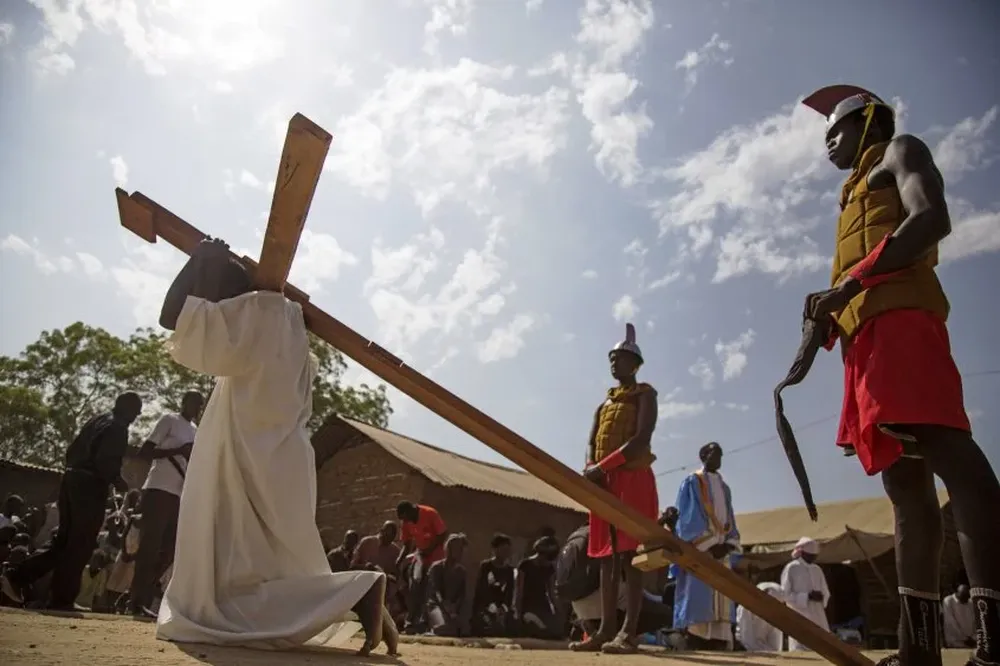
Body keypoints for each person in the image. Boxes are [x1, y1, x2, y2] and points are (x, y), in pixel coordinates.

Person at [800, 85, 1000, 666]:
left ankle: (994, 641)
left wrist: (851, 285)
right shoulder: (847, 199)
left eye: (835, 131)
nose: (827, 145)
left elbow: (931, 219)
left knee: (959, 466)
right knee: (906, 493)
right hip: (864, 345)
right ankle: (919, 652)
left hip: (904, 326)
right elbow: (855, 273)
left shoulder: (899, 152)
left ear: (868, 122)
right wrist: (826, 317)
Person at [153, 237, 397, 656]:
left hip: (247, 460)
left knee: (226, 594)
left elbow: (170, 317)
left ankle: (357, 592)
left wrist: (199, 261)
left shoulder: (257, 312)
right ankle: (352, 598)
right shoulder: (290, 325)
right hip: (279, 458)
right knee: (267, 575)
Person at [1, 392, 142, 609]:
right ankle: (60, 598)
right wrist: (119, 482)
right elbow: (105, 461)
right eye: (136, 410)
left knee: (65, 540)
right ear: (128, 408)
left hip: (70, 480)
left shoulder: (97, 420)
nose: (137, 415)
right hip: (89, 486)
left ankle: (18, 578)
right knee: (81, 544)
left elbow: (72, 450)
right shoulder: (118, 428)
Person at [569, 323, 659, 654]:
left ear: (634, 364)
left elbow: (640, 441)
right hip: (603, 484)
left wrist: (601, 468)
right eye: (611, 358)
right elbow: (592, 443)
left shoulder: (645, 394)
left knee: (629, 555)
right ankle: (606, 629)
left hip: (631, 479)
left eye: (620, 358)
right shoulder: (603, 405)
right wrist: (589, 472)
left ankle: (629, 631)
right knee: (606, 558)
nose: (614, 363)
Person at [129, 390, 204, 617]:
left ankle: (140, 594)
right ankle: (136, 601)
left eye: (199, 405)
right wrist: (177, 450)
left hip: (179, 495)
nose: (196, 408)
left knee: (170, 550)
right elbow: (146, 451)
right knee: (150, 547)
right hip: (158, 489)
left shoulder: (197, 431)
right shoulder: (169, 420)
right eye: (192, 403)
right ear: (183, 402)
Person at [672, 442, 740, 650]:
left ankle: (720, 638)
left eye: (720, 454)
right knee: (699, 592)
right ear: (703, 456)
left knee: (722, 595)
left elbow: (729, 518)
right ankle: (696, 637)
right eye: (713, 453)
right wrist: (709, 544)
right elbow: (688, 517)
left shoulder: (724, 488)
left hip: (722, 551)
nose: (718, 458)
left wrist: (728, 544)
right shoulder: (693, 482)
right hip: (702, 549)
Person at [396, 500, 447, 633]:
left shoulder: (430, 513)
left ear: (411, 510)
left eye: (405, 517)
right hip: (420, 556)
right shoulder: (406, 522)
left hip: (435, 556)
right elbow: (407, 544)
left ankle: (431, 623)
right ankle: (412, 622)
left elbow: (442, 534)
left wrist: (430, 549)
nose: (405, 521)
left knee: (431, 591)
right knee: (415, 587)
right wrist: (400, 560)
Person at [780, 537, 830, 650]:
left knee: (821, 645)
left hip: (818, 615)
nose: (813, 558)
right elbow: (784, 594)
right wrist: (806, 597)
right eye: (810, 555)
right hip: (800, 614)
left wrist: (821, 597)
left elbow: (826, 592)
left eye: (815, 556)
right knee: (801, 646)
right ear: (802, 553)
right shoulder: (791, 568)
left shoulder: (817, 569)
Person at [515, 536, 560, 638]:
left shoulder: (549, 568)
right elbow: (519, 591)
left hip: (543, 607)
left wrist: (558, 612)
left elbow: (551, 592)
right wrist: (518, 613)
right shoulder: (525, 565)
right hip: (528, 607)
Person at [425, 533, 469, 637]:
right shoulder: (436, 567)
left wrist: (455, 607)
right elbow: (436, 591)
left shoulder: (461, 571)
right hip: (436, 605)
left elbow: (461, 594)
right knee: (443, 628)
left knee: (460, 629)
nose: (459, 552)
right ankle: (431, 629)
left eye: (460, 549)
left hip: (453, 609)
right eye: (456, 548)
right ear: (448, 549)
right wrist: (445, 605)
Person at [472, 532, 515, 636]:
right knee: (489, 626)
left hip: (502, 608)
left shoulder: (509, 570)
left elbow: (510, 591)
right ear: (495, 549)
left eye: (507, 549)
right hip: (486, 606)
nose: (506, 552)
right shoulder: (486, 566)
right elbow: (482, 589)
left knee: (511, 624)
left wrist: (504, 608)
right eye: (503, 549)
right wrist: (492, 607)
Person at [736, 582, 784, 652]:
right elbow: (746, 638)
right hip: (744, 647)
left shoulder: (775, 614)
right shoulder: (746, 607)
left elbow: (775, 644)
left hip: (765, 649)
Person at [943, 583, 975, 649]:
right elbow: (951, 622)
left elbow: (975, 621)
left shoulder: (970, 602)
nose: (966, 600)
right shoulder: (948, 601)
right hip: (955, 641)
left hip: (971, 641)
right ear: (957, 593)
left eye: (967, 597)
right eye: (963, 596)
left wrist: (974, 638)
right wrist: (965, 638)